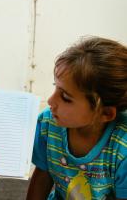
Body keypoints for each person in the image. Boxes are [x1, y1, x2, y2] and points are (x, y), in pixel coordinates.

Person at [26, 37, 127, 200]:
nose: (51, 101)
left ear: (105, 114)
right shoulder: (48, 123)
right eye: (55, 88)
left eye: (65, 97)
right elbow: (42, 175)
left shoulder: (122, 148)